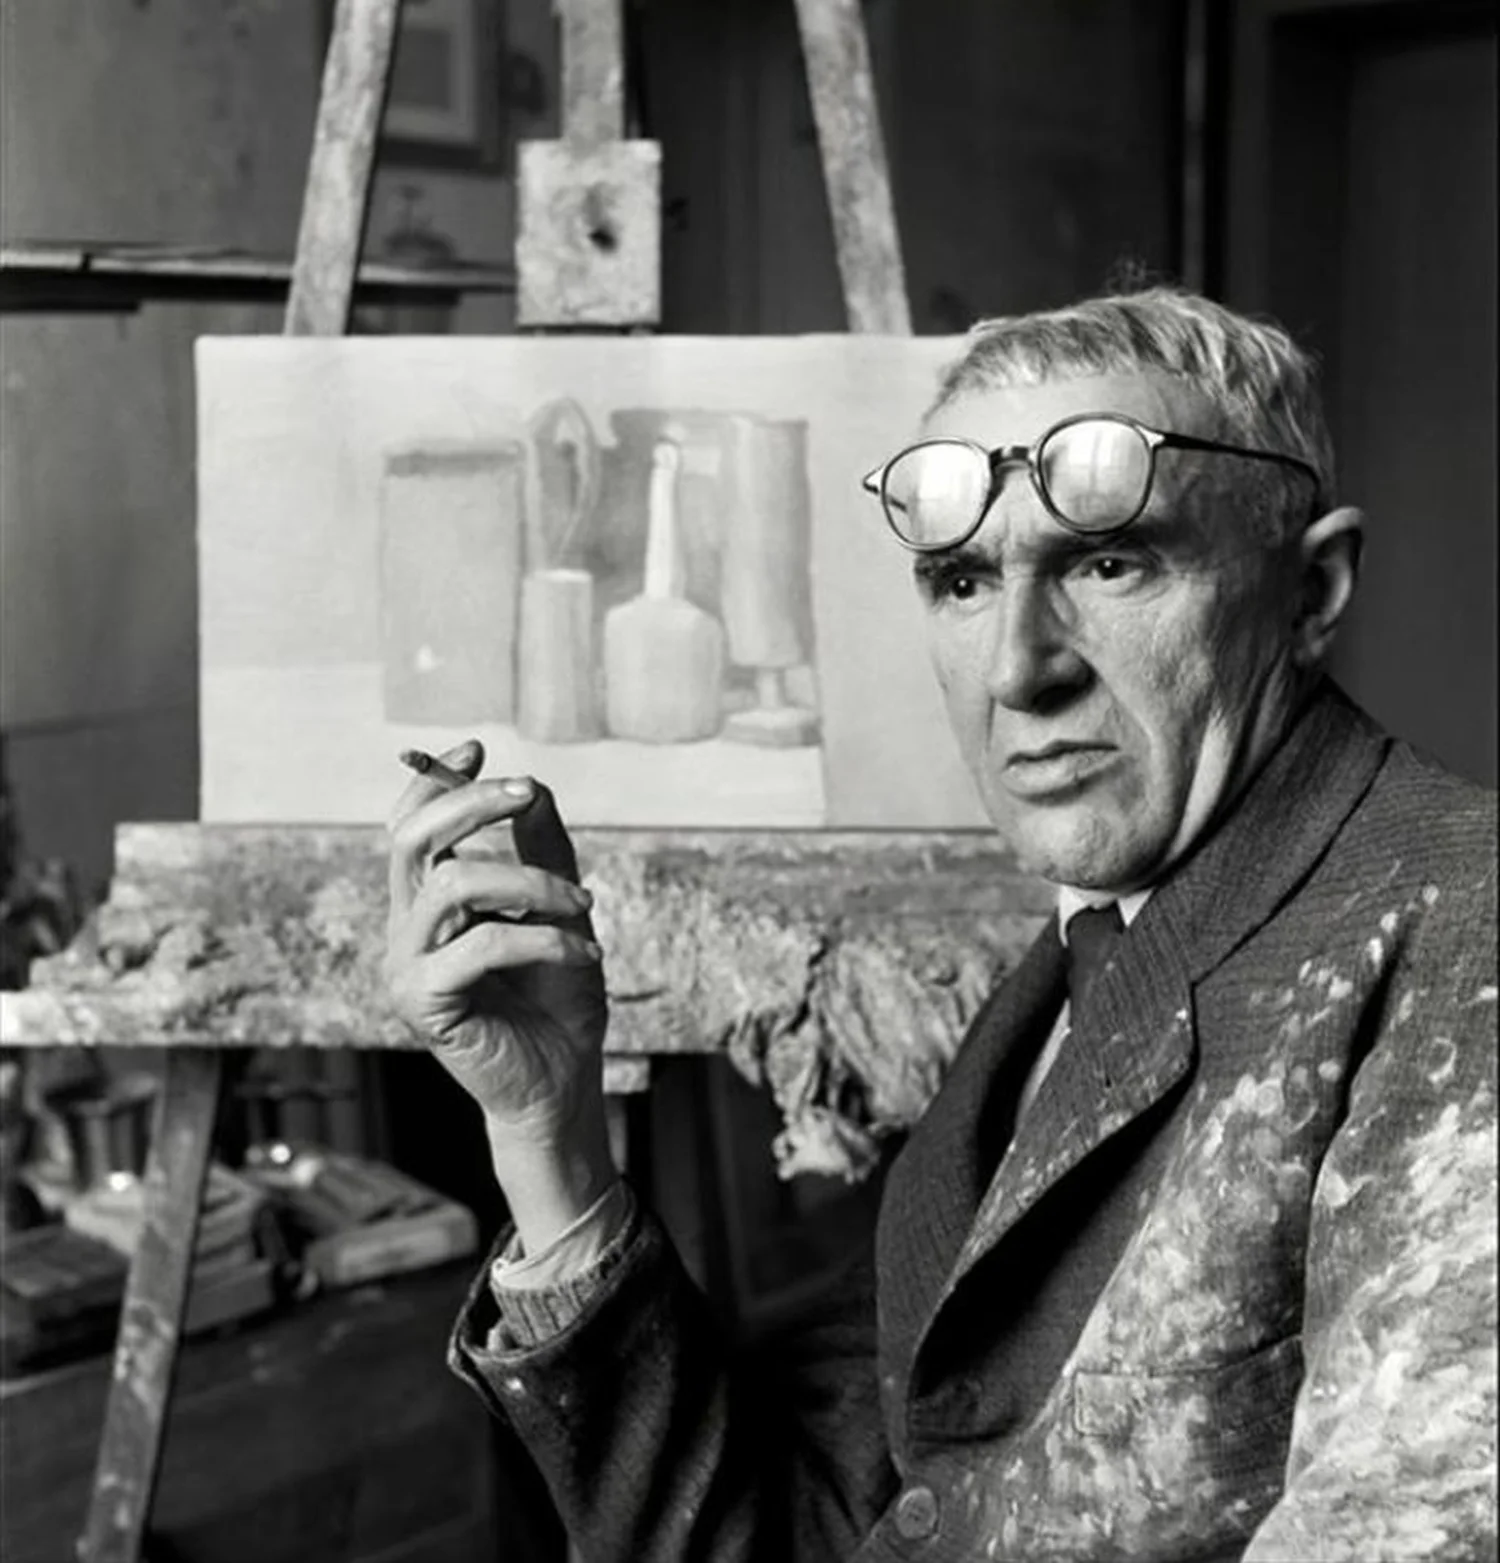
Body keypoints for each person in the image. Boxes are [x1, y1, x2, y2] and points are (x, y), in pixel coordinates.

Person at [384, 288, 1497, 1562]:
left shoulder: (1468, 942)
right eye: (962, 581)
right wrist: (551, 1134)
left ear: (1310, 590)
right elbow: (806, 1530)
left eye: (1110, 563)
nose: (1019, 669)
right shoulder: (1064, 984)